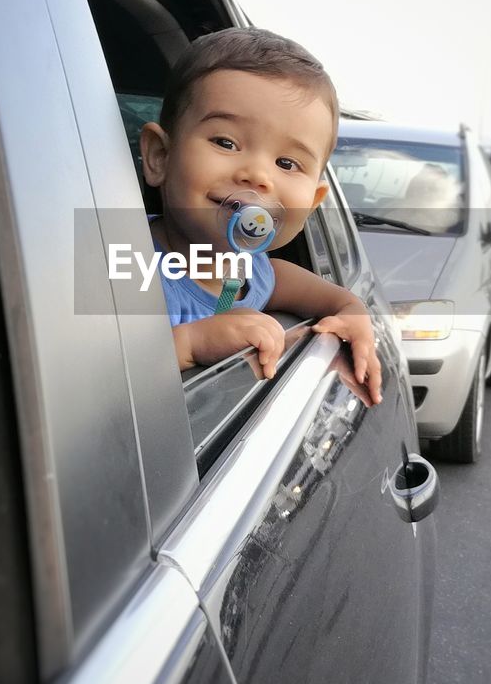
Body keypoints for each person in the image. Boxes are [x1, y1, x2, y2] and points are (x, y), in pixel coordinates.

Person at [139, 28, 382, 403]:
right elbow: (80, 378)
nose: (257, 175)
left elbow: (315, 292)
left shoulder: (253, 272)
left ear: (313, 202)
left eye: (287, 163)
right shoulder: (124, 268)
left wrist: (353, 311)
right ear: (160, 157)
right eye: (226, 142)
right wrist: (187, 344)